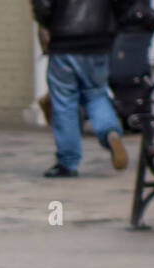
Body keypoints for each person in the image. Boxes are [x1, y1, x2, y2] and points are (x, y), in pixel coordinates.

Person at [32, 0, 133, 177]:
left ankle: (67, 162)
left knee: (64, 103)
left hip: (64, 40)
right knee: (96, 94)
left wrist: (48, 23)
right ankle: (110, 132)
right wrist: (114, 22)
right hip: (99, 40)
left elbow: (43, 5)